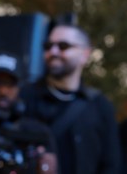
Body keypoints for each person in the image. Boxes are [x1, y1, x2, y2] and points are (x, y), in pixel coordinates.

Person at [19, 24, 120, 174]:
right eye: (48, 46)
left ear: (85, 54)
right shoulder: (24, 98)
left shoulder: (100, 105)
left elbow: (112, 164)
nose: (53, 52)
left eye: (63, 46)